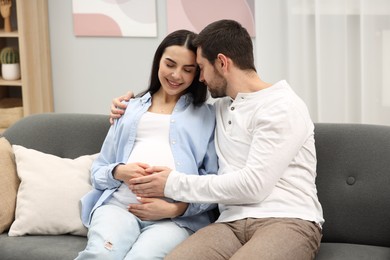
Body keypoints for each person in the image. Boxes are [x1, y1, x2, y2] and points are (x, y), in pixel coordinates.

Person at [111, 19, 324, 260]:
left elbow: (253, 186)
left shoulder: (282, 107)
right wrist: (127, 106)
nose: (200, 78)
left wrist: (171, 184)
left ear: (222, 63)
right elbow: (172, 117)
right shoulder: (220, 109)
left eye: (201, 67)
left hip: (286, 219)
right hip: (229, 224)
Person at [76, 29, 218, 260]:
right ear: (158, 62)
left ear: (197, 73)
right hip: (119, 207)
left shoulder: (208, 116)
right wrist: (119, 171)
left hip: (173, 221)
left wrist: (177, 208)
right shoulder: (128, 109)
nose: (176, 75)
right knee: (101, 254)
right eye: (170, 64)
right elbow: (98, 172)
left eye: (188, 69)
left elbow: (213, 182)